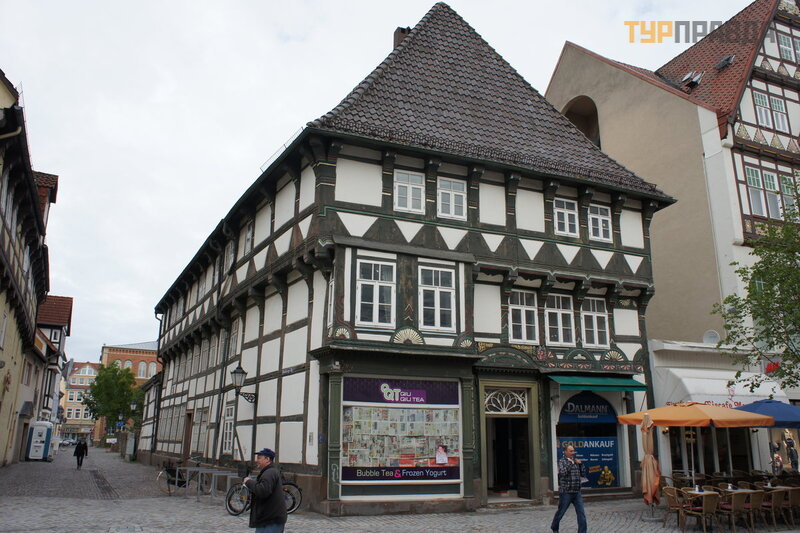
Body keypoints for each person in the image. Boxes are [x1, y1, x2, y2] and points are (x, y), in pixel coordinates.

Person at [243, 448, 287, 533]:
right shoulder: (269, 472)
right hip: (268, 518)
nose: (257, 460)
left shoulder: (269, 473)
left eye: (259, 458)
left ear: (267, 459)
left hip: (271, 520)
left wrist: (249, 482)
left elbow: (263, 491)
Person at [551, 444, 587, 533]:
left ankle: (582, 531)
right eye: (571, 451)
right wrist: (571, 464)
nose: (573, 453)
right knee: (561, 512)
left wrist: (581, 465)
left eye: (573, 451)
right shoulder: (562, 461)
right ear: (565, 452)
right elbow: (563, 473)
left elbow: (583, 474)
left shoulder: (575, 461)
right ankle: (554, 527)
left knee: (581, 513)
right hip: (566, 492)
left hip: (577, 492)